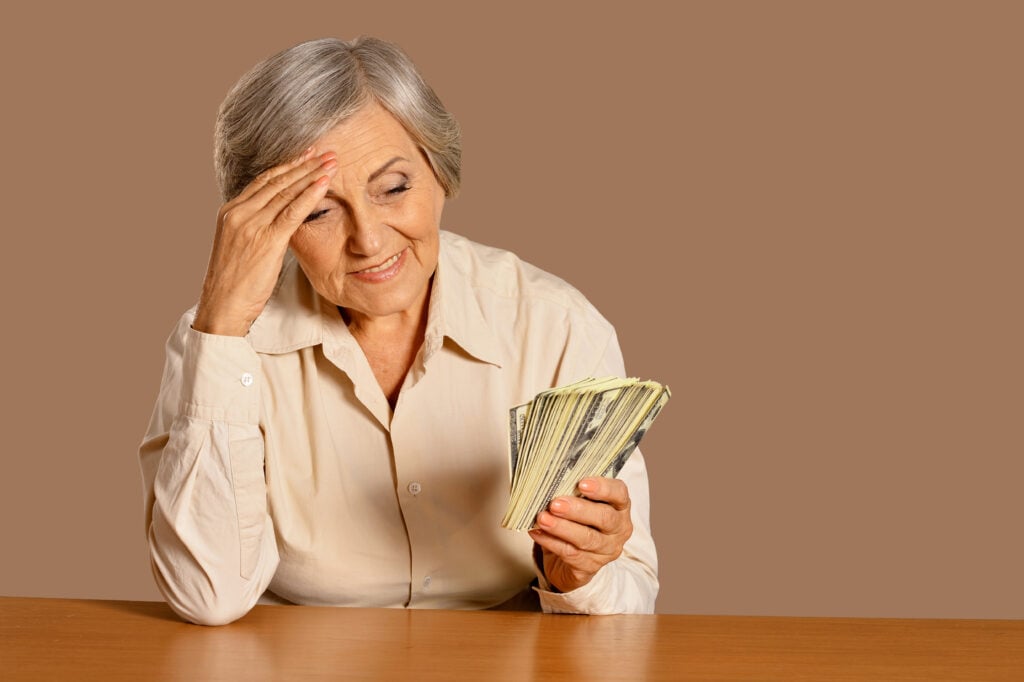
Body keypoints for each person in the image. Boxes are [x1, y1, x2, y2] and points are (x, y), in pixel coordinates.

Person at [139, 36, 658, 626]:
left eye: (393, 188)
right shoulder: (217, 344)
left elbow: (632, 594)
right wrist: (223, 327)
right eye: (316, 211)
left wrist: (577, 578)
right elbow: (206, 596)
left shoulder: (557, 327)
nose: (370, 240)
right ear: (263, 224)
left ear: (441, 172)